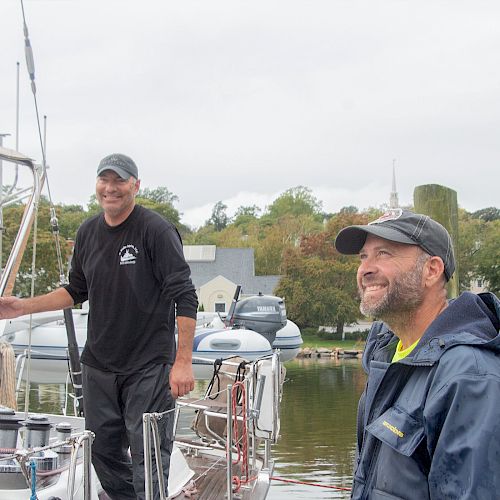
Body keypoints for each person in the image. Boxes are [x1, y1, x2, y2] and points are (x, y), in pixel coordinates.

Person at [0, 153, 198, 499]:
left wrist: (182, 362)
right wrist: (21, 307)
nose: (111, 188)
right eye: (104, 180)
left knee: (148, 456)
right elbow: (76, 290)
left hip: (148, 366)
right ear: (97, 185)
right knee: (103, 453)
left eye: (119, 181)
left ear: (135, 185)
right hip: (100, 366)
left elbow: (185, 295)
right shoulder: (88, 231)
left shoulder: (156, 231)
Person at [334, 208, 500, 500]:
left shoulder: (469, 376)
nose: (366, 269)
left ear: (432, 270)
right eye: (364, 256)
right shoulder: (385, 356)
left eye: (384, 253)